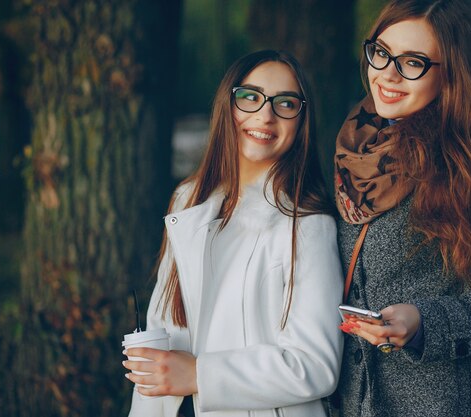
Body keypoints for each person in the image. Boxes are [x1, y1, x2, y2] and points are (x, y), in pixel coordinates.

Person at [333, 0, 471, 416]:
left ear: (454, 73)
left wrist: (423, 322)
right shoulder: (352, 145)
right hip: (344, 401)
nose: (388, 74)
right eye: (381, 52)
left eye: (413, 62)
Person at [122, 50, 344, 417]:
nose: (265, 114)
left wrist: (199, 375)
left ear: (302, 121)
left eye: (285, 103)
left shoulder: (307, 224)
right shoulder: (187, 202)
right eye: (250, 97)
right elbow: (163, 335)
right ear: (228, 104)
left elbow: (316, 366)